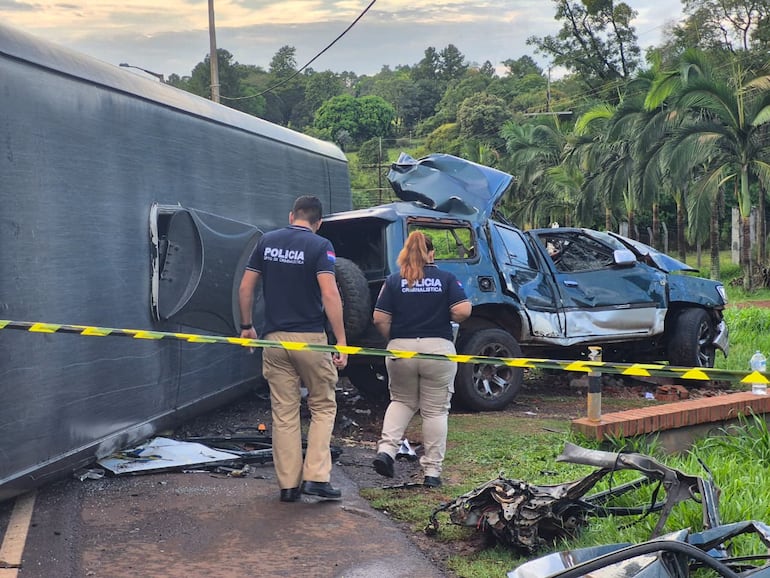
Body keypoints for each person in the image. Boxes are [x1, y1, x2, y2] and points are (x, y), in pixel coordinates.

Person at [238, 195, 348, 503]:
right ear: (318, 222)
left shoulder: (266, 242)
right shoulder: (320, 245)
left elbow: (246, 287)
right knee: (323, 406)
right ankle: (315, 477)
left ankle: (288, 485)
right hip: (310, 339)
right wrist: (341, 340)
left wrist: (246, 325)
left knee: (284, 413)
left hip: (273, 340)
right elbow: (329, 293)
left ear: (291, 216)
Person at [371, 231, 472, 487]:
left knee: (401, 402)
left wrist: (393, 340)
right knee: (435, 411)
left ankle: (387, 451)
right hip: (437, 349)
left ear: (405, 253)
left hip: (400, 349)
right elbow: (462, 310)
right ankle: (432, 473)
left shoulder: (394, 280)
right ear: (431, 254)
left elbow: (379, 318)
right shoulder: (446, 279)